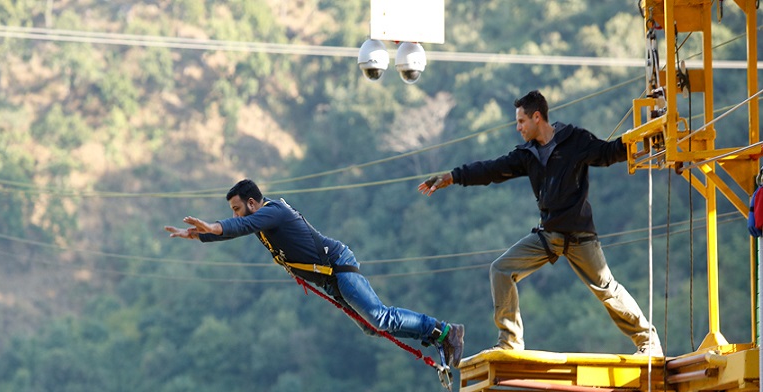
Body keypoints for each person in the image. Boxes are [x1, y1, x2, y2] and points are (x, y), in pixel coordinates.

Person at [419, 90, 662, 356]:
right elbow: (491, 169)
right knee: (500, 270)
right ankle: (510, 341)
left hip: (579, 236)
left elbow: (608, 153)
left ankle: (648, 342)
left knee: (608, 289)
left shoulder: (574, 140)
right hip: (548, 236)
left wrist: (641, 137)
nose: (518, 127)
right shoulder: (527, 154)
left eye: (521, 121)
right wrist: (452, 176)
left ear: (537, 117)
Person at [165, 179, 466, 366]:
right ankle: (436, 336)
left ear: (252, 203)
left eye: (236, 208)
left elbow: (240, 226)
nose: (234, 214)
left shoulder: (273, 212)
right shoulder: (261, 220)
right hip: (330, 279)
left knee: (379, 317)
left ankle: (444, 331)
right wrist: (200, 235)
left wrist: (213, 226)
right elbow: (239, 228)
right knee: (372, 327)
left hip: (338, 266)